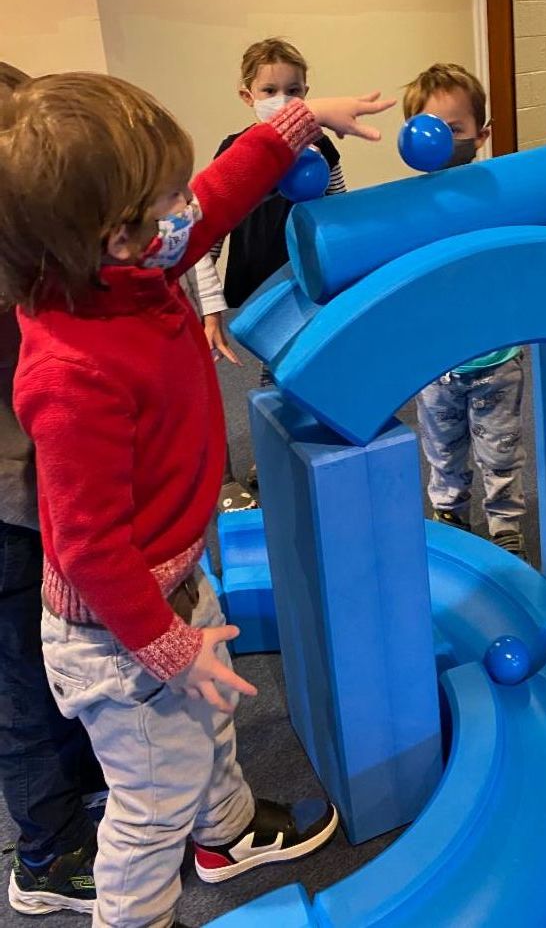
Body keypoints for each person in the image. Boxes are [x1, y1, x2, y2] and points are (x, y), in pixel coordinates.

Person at [2, 71, 392, 928]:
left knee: (208, 734)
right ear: (114, 234)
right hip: (118, 633)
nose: (189, 207)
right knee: (152, 805)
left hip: (173, 580)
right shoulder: (70, 370)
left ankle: (227, 836)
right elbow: (90, 550)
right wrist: (169, 650)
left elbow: (217, 197)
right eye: (167, 199)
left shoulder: (133, 267)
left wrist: (299, 123)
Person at [0, 60, 105, 917]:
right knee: (20, 691)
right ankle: (45, 854)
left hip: (32, 496)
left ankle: (82, 788)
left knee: (49, 653)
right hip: (5, 510)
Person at [212, 37, 347, 506]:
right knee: (275, 367)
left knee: (303, 361)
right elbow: (215, 219)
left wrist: (348, 267)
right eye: (270, 91)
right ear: (247, 95)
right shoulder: (235, 150)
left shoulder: (321, 146)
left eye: (293, 90)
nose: (282, 100)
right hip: (259, 277)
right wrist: (206, 292)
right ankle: (274, 451)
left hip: (305, 275)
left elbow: (339, 207)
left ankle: (296, 444)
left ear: (307, 93)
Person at [403, 63, 528, 560]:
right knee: (441, 450)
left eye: (454, 129)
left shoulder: (497, 194)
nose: (441, 140)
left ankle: (505, 526)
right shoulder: (406, 207)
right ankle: (450, 515)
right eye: (429, 129)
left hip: (496, 359)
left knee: (501, 450)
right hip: (435, 363)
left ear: (482, 135)